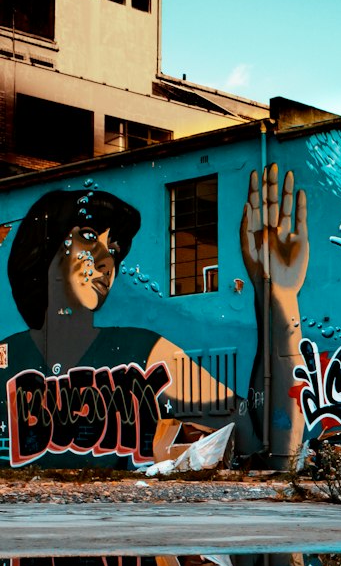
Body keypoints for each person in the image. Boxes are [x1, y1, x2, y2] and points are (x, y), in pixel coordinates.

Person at [3, 166, 307, 467]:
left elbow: (263, 447)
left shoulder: (144, 352)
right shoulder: (7, 358)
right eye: (88, 236)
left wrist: (279, 301)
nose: (106, 259)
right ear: (47, 245)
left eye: (113, 248)